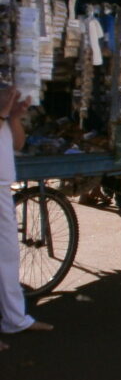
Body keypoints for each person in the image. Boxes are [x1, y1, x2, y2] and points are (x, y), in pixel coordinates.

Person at [0, 87, 52, 351]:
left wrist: (13, 117)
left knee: (8, 255)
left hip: (2, 188)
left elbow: (17, 144)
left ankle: (15, 319)